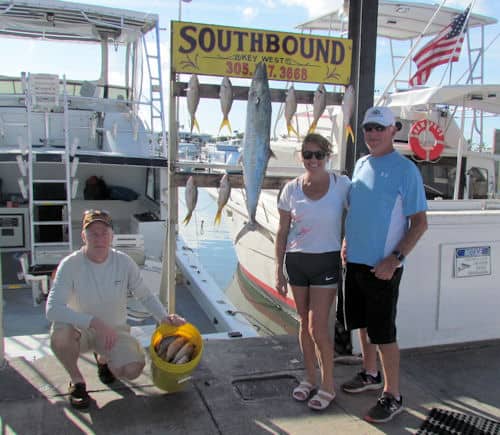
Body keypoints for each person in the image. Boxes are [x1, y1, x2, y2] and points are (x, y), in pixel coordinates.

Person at [46, 209, 186, 409]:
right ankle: (77, 381)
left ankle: (103, 359)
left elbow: (144, 295)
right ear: (83, 236)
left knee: (132, 369)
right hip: (80, 331)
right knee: (60, 336)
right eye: (93, 233)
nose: (99, 238)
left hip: (113, 331)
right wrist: (93, 322)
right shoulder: (70, 265)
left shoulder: (123, 262)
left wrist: (164, 317)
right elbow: (52, 309)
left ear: (112, 235)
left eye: (104, 232)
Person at [341, 106, 428, 423]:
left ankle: (393, 395)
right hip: (356, 263)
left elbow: (419, 223)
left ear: (393, 130)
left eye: (379, 128)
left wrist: (395, 258)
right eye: (368, 128)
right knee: (363, 325)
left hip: (383, 267)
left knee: (384, 334)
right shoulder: (362, 163)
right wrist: (347, 241)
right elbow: (359, 210)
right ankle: (369, 373)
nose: (373, 134)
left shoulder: (406, 171)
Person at [275, 133, 350, 411]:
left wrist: (348, 239)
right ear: (301, 157)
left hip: (326, 262)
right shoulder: (290, 189)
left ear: (327, 156)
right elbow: (282, 232)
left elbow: (356, 215)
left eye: (319, 154)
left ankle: (327, 385)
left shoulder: (341, 185)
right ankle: (309, 378)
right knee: (302, 324)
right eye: (308, 154)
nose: (313, 160)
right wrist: (278, 269)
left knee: (318, 326)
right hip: (297, 262)